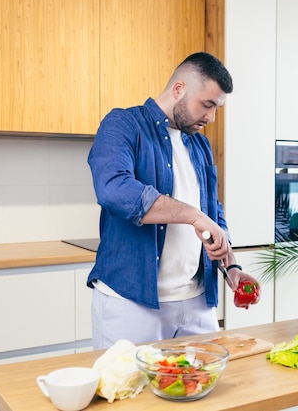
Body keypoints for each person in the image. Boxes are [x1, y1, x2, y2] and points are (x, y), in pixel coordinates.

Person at [87, 52, 260, 349]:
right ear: (179, 89)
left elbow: (212, 212)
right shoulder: (123, 124)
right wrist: (193, 215)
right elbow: (113, 189)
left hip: (197, 304)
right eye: (207, 105)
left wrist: (230, 267)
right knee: (130, 391)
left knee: (205, 390)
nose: (211, 117)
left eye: (217, 108)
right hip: (132, 304)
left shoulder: (200, 144)